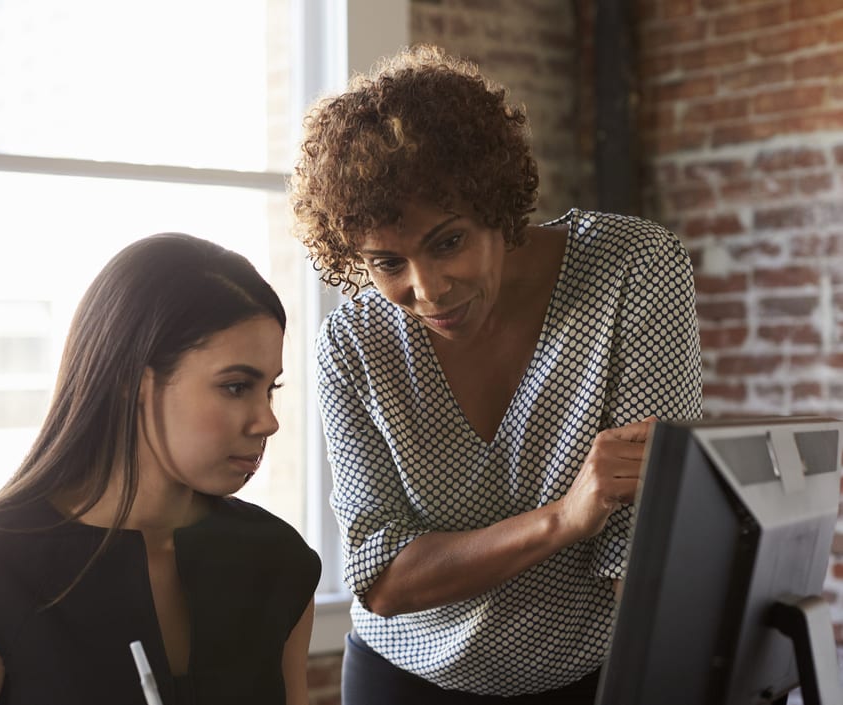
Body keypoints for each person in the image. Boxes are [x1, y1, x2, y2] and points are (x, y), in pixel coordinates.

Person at [288, 45, 703, 704]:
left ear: (498, 203)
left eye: (448, 241)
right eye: (387, 262)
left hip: (583, 675)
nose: (427, 289)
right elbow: (382, 575)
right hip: (404, 676)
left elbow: (639, 541)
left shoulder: (631, 270)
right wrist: (562, 518)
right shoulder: (353, 343)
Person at [0, 233, 321, 705]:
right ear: (131, 380)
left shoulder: (279, 562)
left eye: (270, 389)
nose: (267, 421)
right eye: (235, 387)